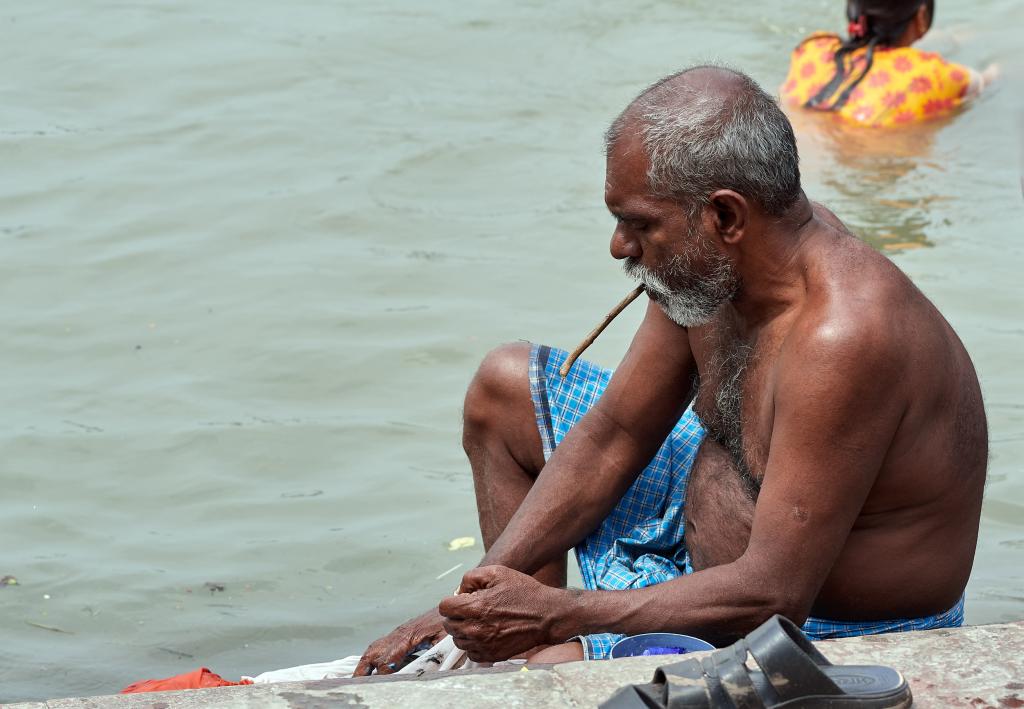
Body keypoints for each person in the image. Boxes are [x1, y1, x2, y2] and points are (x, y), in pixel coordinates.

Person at [355, 65, 987, 674]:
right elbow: (615, 434)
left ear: (726, 216)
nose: (620, 247)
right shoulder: (713, 267)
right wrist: (480, 595)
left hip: (819, 627)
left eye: (639, 225)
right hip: (703, 548)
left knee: (563, 643)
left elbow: (775, 592)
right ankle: (522, 646)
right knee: (505, 387)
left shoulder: (843, 336)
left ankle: (548, 657)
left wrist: (559, 616)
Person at [781, 0, 999, 127]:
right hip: (871, 157)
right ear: (922, 15)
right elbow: (986, 80)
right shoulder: (936, 74)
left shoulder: (813, 48)